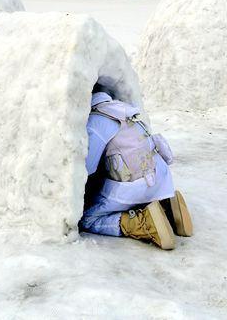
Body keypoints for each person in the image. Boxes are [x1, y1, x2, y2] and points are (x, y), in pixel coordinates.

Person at [79, 83, 193, 250]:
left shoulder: (96, 121)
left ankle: (143, 223)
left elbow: (87, 168)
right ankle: (165, 207)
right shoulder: (125, 109)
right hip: (160, 176)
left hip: (135, 185)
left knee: (88, 219)